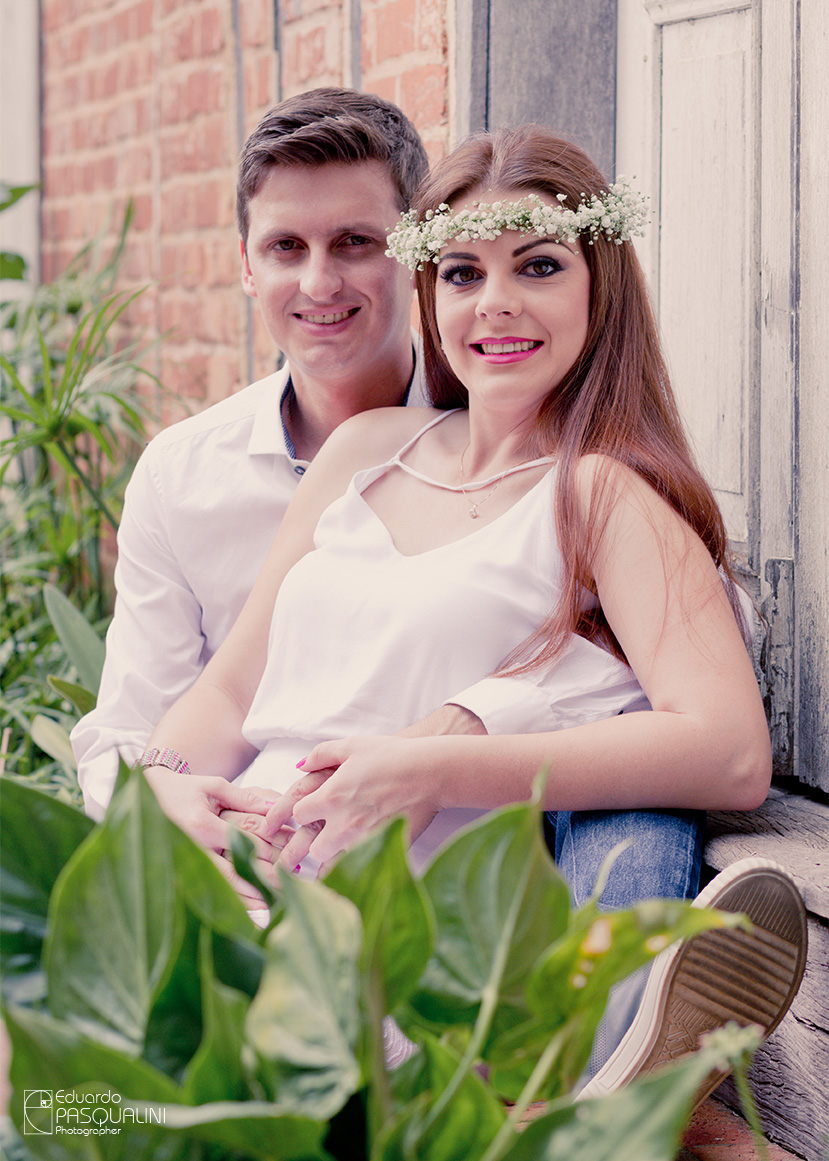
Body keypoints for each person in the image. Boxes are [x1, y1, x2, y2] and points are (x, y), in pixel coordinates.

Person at [141, 124, 805, 1091]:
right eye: (460, 273)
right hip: (239, 866)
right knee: (41, 1083)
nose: (495, 304)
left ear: (597, 286)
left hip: (386, 930)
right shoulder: (366, 448)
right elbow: (231, 685)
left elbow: (731, 751)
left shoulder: (603, 493)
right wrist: (161, 784)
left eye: (537, 266)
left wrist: (428, 771)